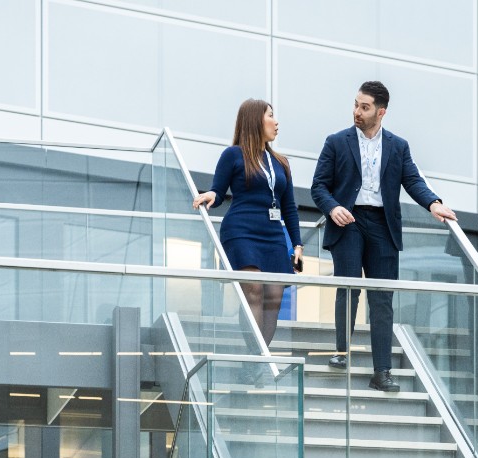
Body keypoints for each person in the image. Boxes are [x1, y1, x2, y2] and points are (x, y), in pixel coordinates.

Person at [311, 81, 456, 392]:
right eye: (355, 105)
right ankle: (341, 352)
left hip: (382, 225)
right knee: (348, 289)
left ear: (381, 112)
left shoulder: (398, 146)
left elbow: (413, 180)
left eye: (364, 107)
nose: (357, 112)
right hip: (347, 221)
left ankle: (382, 372)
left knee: (382, 299)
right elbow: (318, 186)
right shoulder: (336, 142)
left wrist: (434, 203)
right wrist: (333, 207)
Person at [193, 99, 303, 351]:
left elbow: (289, 208)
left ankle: (258, 359)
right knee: (253, 290)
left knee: (274, 297)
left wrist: (296, 244)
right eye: (271, 116)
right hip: (241, 230)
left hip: (274, 235)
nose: (276, 122)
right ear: (255, 120)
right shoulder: (233, 154)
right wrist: (211, 195)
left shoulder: (281, 163)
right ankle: (257, 360)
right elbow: (218, 191)